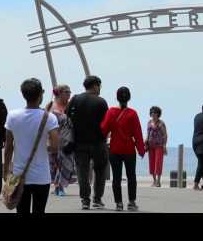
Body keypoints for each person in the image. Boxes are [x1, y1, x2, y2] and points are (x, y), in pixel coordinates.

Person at [3, 78, 59, 214]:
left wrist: (6, 170)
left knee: (21, 211)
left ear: (23, 94)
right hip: (41, 176)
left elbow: (8, 146)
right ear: (41, 94)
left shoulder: (12, 116)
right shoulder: (49, 117)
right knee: (39, 210)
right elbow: (55, 147)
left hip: (18, 175)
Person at [66, 75, 108, 210]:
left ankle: (85, 199)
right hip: (98, 142)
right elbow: (106, 124)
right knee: (100, 170)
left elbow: (67, 117)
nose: (100, 88)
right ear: (95, 85)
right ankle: (97, 199)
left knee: (82, 171)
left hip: (79, 142)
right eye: (99, 85)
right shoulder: (101, 102)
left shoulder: (75, 99)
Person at [101, 87, 145, 211]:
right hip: (129, 149)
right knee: (131, 176)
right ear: (129, 98)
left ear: (117, 98)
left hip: (114, 149)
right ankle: (131, 202)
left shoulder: (111, 112)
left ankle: (119, 204)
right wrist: (141, 150)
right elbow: (138, 134)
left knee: (116, 177)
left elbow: (104, 129)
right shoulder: (133, 113)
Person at [46, 84, 76, 196]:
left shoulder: (70, 106)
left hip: (68, 140)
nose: (69, 94)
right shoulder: (51, 108)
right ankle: (58, 186)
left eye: (69, 92)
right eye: (66, 92)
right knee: (55, 165)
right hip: (54, 139)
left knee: (66, 164)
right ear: (59, 93)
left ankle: (60, 186)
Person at [145, 106, 168, 187]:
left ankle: (158, 181)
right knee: (151, 163)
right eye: (152, 113)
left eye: (155, 113)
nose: (153, 114)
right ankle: (154, 181)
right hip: (150, 146)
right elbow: (147, 134)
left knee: (158, 163)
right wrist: (146, 142)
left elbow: (165, 135)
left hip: (159, 146)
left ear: (158, 114)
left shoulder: (161, 123)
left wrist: (164, 145)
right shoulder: (149, 122)